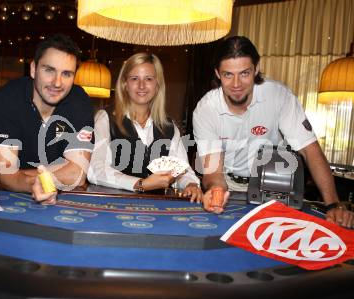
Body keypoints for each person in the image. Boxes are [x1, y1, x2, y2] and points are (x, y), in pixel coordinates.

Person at [193, 35, 353, 228]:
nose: (236, 84)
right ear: (218, 74)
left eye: (244, 73)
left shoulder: (279, 96)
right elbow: (213, 171)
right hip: (229, 184)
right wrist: (216, 190)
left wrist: (333, 204)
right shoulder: (206, 109)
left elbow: (309, 150)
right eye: (228, 74)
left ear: (256, 69)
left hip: (272, 183)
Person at [0, 34, 94, 204]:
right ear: (33, 69)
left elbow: (77, 175)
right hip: (10, 198)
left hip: (62, 198)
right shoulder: (6, 99)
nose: (57, 83)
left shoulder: (80, 102)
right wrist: (30, 181)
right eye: (49, 70)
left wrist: (19, 175)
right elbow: (4, 174)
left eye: (66, 74)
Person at [88, 53, 202, 202]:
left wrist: (191, 184)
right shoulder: (105, 118)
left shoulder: (169, 127)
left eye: (148, 79)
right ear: (125, 84)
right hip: (113, 206)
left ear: (157, 85)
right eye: (134, 78)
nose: (141, 85)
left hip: (157, 209)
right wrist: (140, 184)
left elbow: (182, 170)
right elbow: (96, 170)